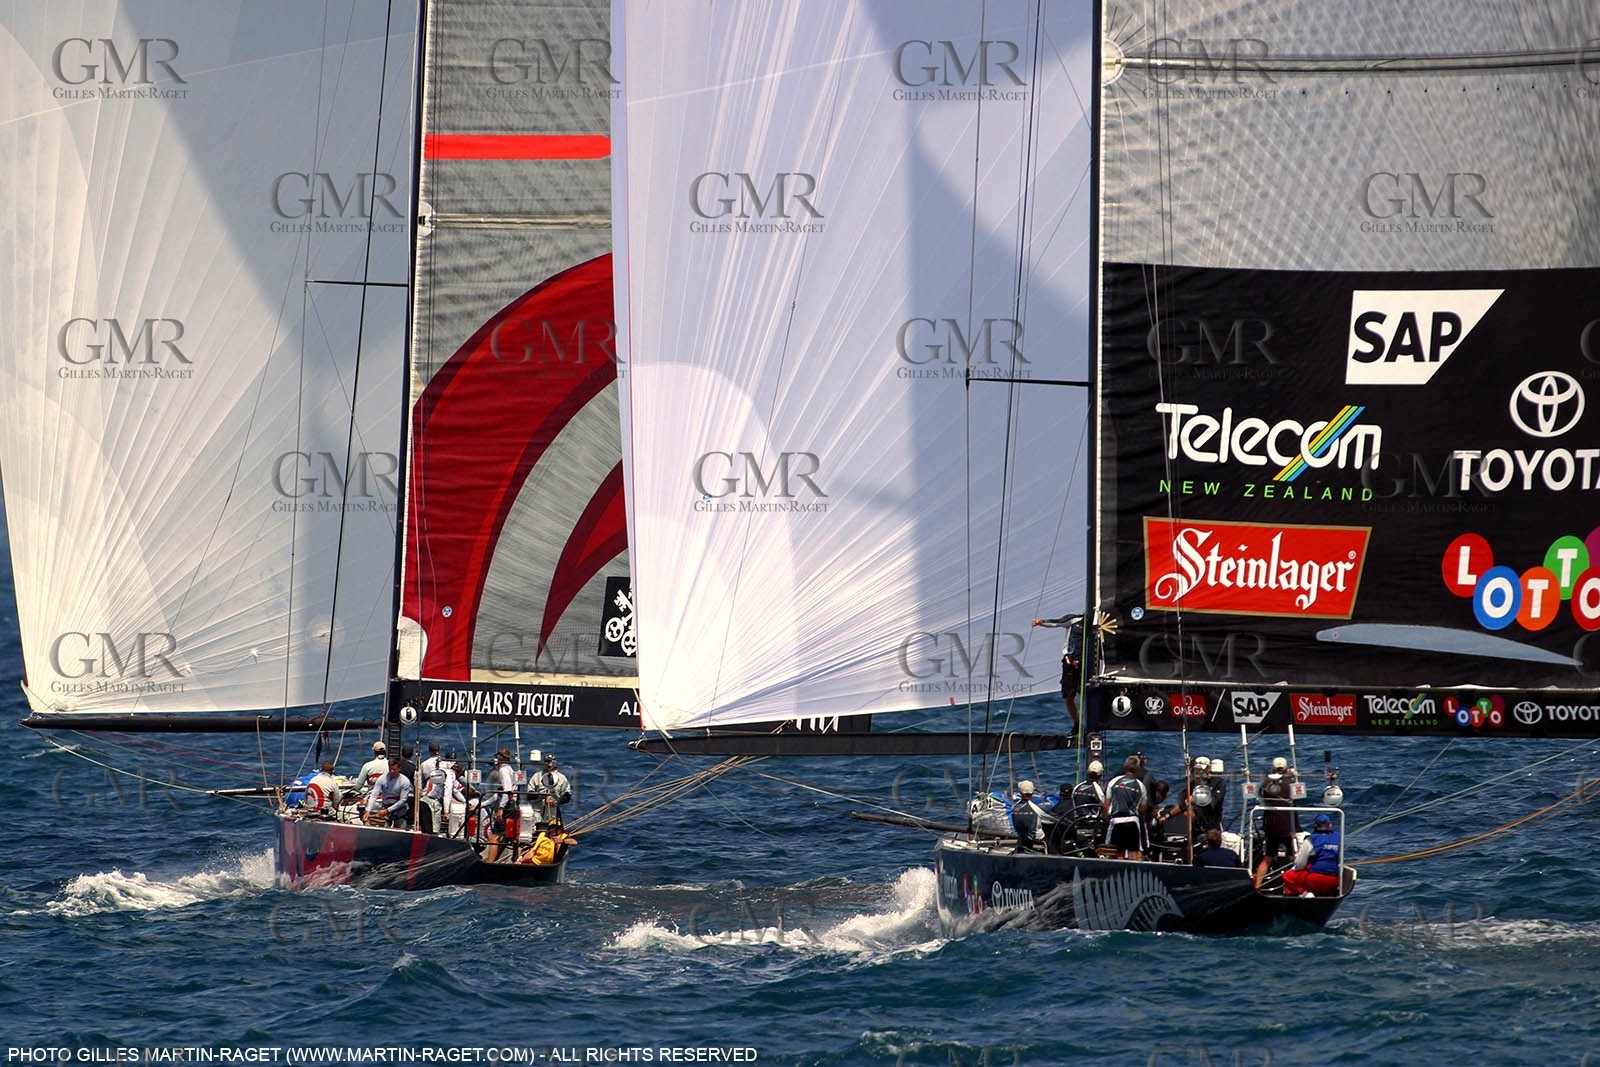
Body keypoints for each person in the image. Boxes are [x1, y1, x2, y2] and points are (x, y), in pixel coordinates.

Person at [1031, 614, 1085, 728]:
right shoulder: (1074, 620)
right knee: (1068, 696)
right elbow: (1057, 622)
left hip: (1087, 663)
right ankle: (1077, 724)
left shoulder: (1098, 624)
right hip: (1070, 662)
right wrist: (1041, 622)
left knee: (1086, 694)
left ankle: (1091, 724)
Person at [1255, 756, 1299, 885]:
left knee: (1267, 858)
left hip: (1272, 827)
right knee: (1294, 857)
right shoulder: (1291, 783)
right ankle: (1294, 884)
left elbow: (1259, 793)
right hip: (1288, 827)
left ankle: (1257, 884)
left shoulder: (1266, 784)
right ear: (1286, 769)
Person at [1282, 814, 1342, 896]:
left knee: (1288, 876)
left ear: (1315, 826)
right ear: (1330, 825)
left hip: (1314, 879)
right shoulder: (1338, 838)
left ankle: (1304, 893)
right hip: (1334, 880)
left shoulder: (1311, 839)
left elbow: (1300, 864)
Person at [1103, 756, 1149, 860]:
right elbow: (1142, 809)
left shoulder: (1113, 782)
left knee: (1118, 854)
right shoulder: (1140, 785)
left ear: (1125, 767)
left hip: (1116, 822)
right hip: (1133, 822)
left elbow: (1106, 806)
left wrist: (1106, 819)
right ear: (1138, 769)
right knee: (1134, 854)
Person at [525, 753, 572, 829]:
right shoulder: (536, 777)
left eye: (551, 762)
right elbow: (529, 795)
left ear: (555, 763)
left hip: (553, 814)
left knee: (552, 829)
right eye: (547, 761)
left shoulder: (562, 778)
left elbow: (567, 796)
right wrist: (541, 796)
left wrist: (556, 801)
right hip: (537, 813)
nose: (549, 764)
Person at [364, 758, 413, 827]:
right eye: (390, 769)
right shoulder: (382, 779)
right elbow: (374, 796)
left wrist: (388, 810)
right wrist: (368, 811)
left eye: (394, 769)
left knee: (401, 826)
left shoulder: (405, 781)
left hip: (399, 809)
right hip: (386, 808)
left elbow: (403, 800)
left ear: (399, 769)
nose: (392, 771)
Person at [1010, 780, 1047, 854]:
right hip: (1036, 839)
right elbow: (1052, 819)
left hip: (1022, 838)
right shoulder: (1036, 808)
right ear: (1032, 792)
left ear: (1020, 793)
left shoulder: (1014, 807)